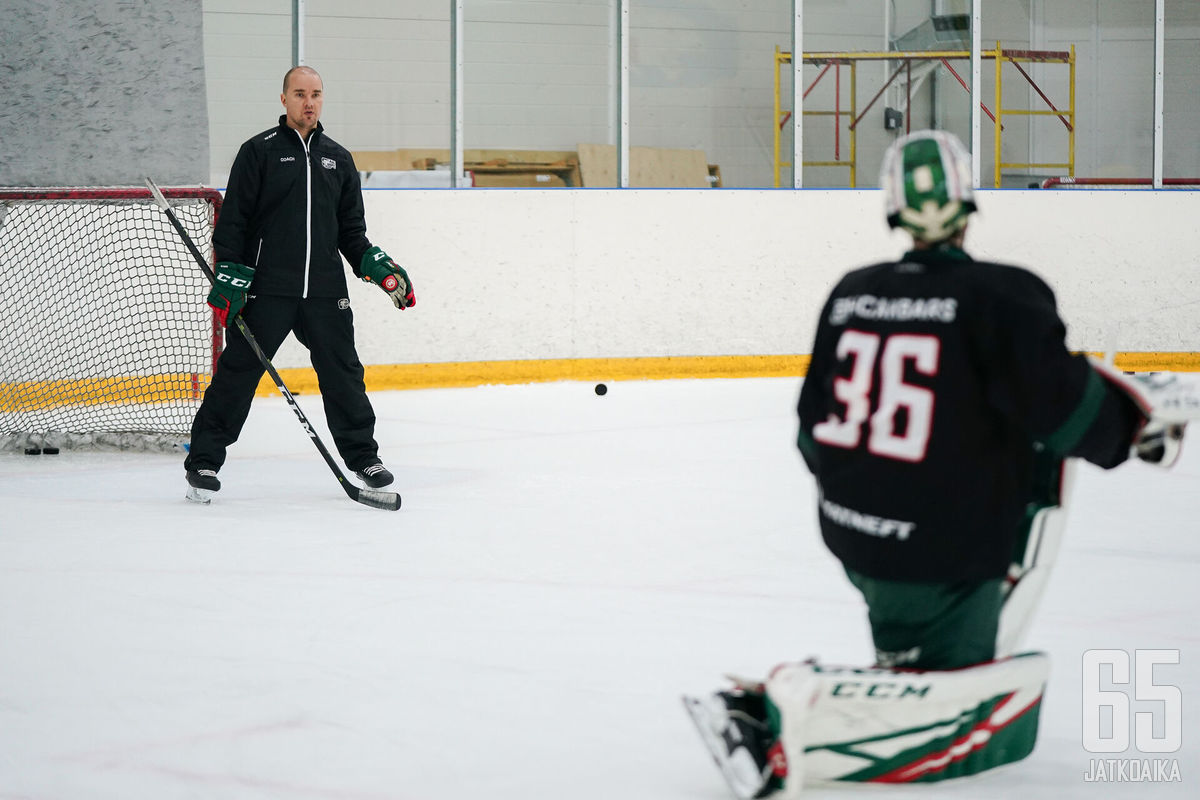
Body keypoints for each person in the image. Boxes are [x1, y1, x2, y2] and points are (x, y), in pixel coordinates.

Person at [683, 130, 1185, 798]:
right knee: (967, 706)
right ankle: (785, 724)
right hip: (944, 554)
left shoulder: (852, 292)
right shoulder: (1003, 296)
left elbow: (811, 435)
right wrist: (1139, 431)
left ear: (891, 207)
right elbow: (1071, 416)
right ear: (968, 201)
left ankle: (894, 669)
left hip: (852, 535)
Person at [184, 65, 415, 504]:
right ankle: (204, 461)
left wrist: (380, 269)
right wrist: (232, 277)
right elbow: (233, 225)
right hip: (268, 290)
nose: (308, 102)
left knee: (344, 374)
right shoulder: (259, 152)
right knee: (238, 374)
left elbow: (351, 233)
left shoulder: (339, 158)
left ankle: (364, 458)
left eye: (316, 94)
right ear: (284, 99)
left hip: (326, 292)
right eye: (299, 93)